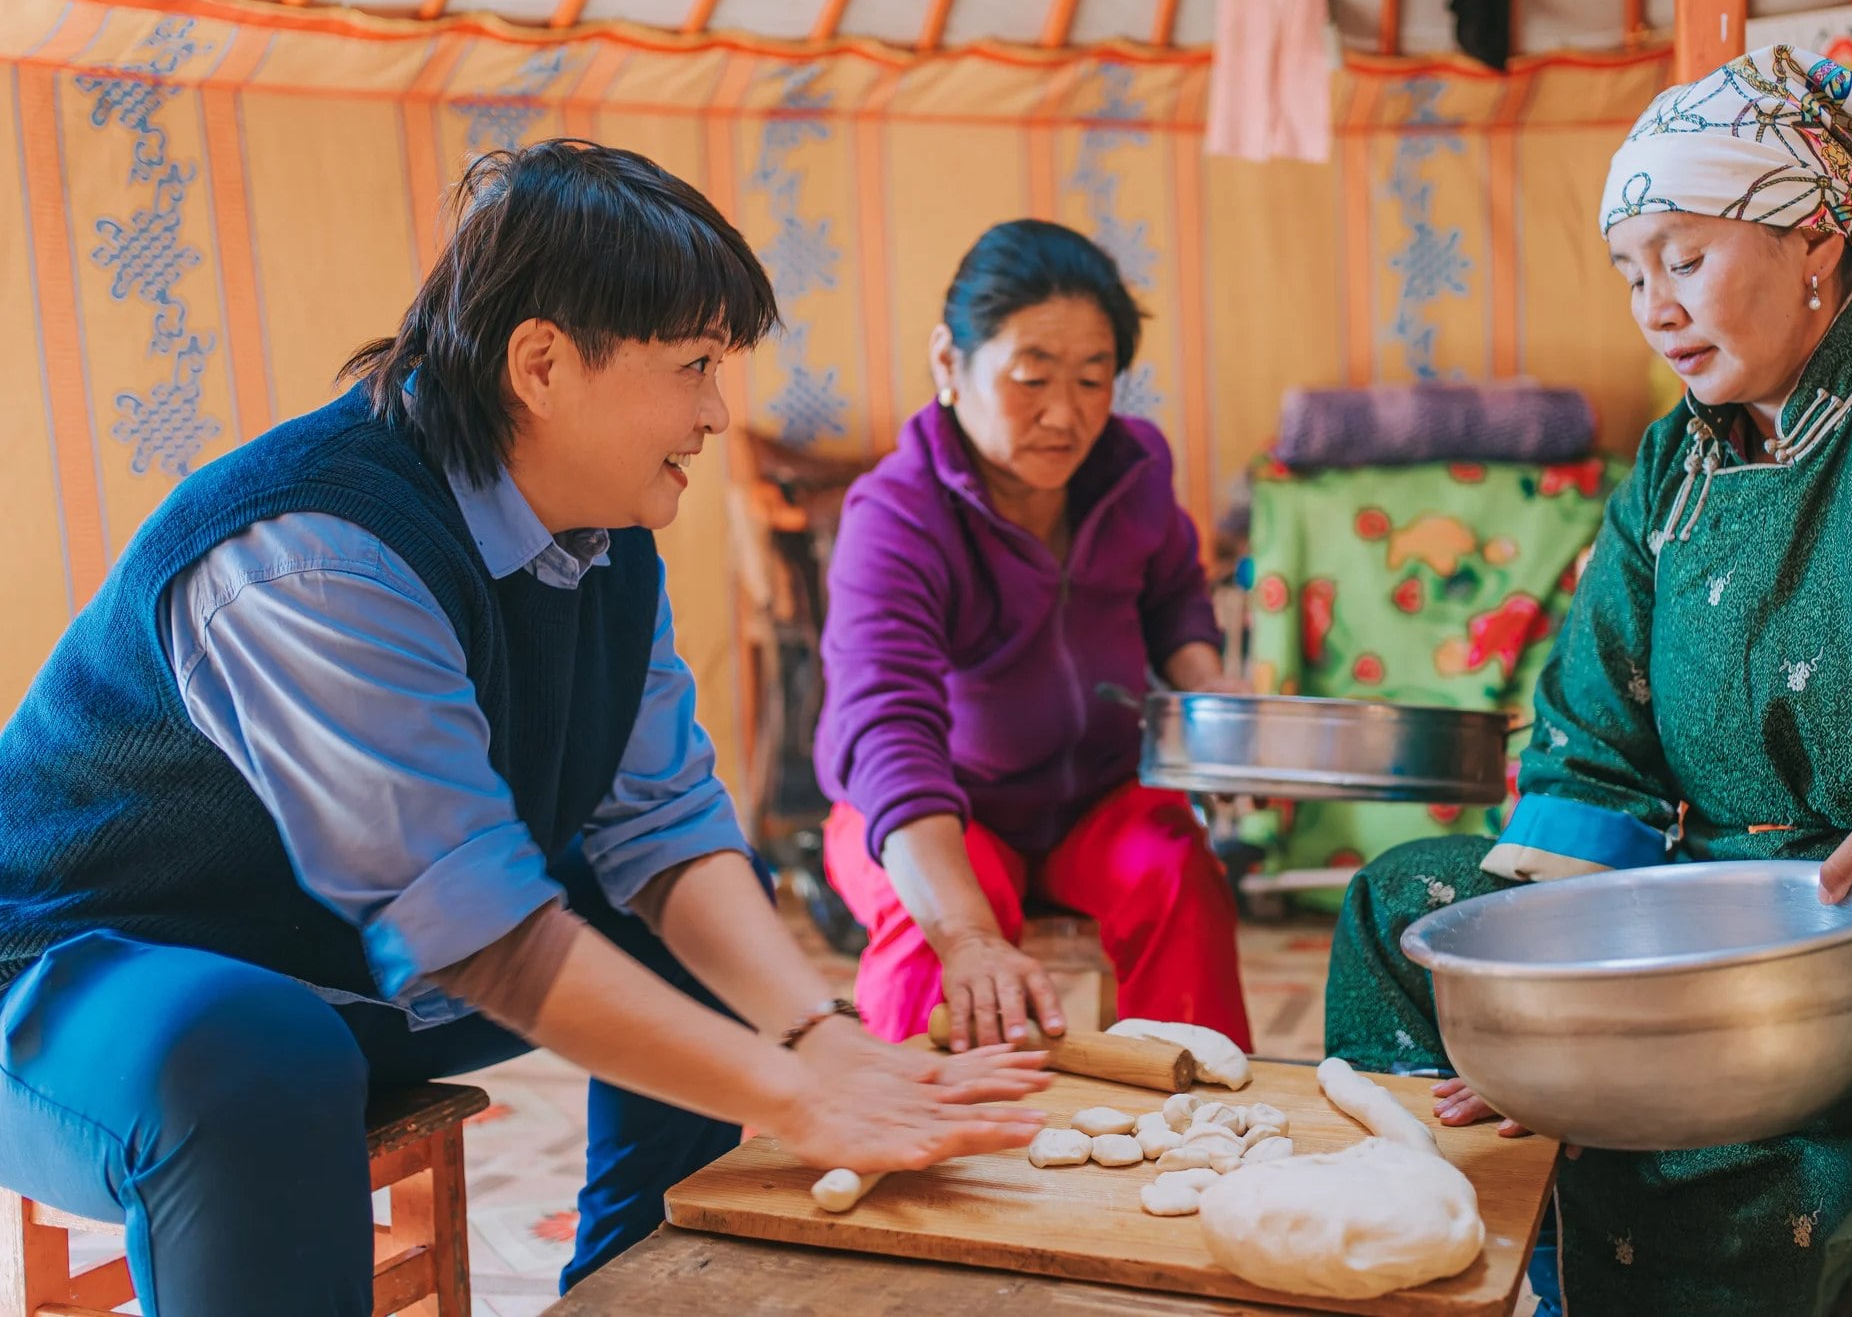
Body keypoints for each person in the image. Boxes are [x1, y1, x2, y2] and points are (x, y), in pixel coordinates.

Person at [0, 139, 1048, 1313]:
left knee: (703, 909)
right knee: (251, 1051)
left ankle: (636, 1291)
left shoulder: (608, 538)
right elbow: (473, 929)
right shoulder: (312, 553)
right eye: (694, 364)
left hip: (348, 985)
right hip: (73, 988)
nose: (714, 413)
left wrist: (811, 1033)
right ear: (542, 363)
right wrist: (797, 1096)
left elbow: (661, 828)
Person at [1324, 47, 1852, 1317]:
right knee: (1408, 900)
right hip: (1722, 912)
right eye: (1631, 275)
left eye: (1683, 258)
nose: (1654, 308)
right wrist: (1546, 1007)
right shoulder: (1673, 467)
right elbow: (1592, 731)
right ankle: (1488, 1269)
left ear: (1813, 243)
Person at [815, 219, 1253, 1053]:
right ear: (948, 361)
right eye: (1030, 376)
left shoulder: (1135, 470)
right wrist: (967, 933)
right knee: (934, 927)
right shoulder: (895, 515)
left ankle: (1203, 1126)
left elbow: (1173, 596)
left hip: (1094, 796)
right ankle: (912, 1148)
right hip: (930, 803)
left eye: (1094, 379)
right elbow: (888, 734)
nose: (1065, 414)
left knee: (1176, 871)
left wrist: (1208, 696)